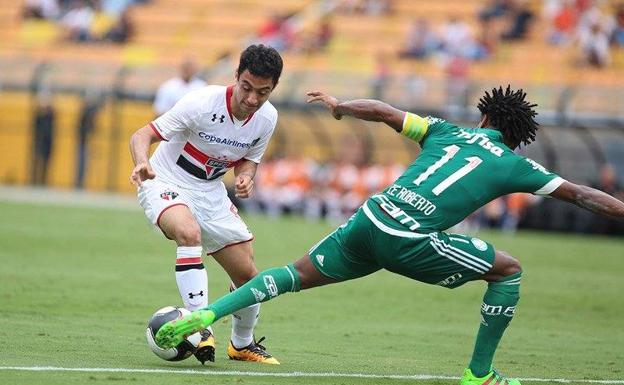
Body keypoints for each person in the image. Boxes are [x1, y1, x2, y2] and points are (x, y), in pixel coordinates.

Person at [154, 86, 624, 384]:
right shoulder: (517, 164)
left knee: (291, 274)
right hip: (410, 238)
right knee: (508, 271)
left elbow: (380, 110)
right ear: (516, 135)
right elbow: (582, 194)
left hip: (370, 219)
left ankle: (206, 314)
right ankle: (480, 373)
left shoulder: (444, 129)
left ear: (482, 118)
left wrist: (340, 108)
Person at [129, 44, 283, 365]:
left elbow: (248, 159)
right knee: (188, 233)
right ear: (236, 76)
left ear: (274, 89)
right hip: (166, 180)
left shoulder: (267, 118)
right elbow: (142, 134)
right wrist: (142, 163)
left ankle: (241, 344)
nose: (252, 99)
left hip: (211, 192)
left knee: (248, 275)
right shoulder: (202, 102)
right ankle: (201, 326)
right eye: (247, 88)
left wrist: (246, 176)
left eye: (263, 92)